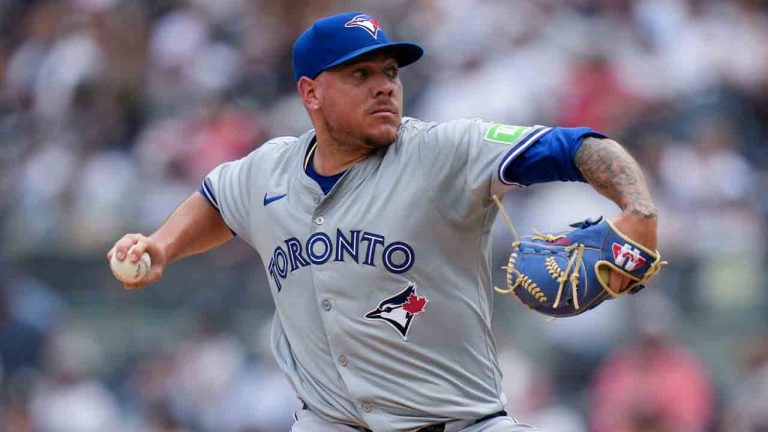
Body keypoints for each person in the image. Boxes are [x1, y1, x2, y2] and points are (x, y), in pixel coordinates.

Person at [108, 12, 658, 432]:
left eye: (391, 73)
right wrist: (162, 245)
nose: (385, 86)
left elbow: (577, 146)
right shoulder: (267, 171)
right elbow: (216, 199)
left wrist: (639, 211)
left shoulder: (445, 150)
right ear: (311, 92)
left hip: (461, 422)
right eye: (361, 73)